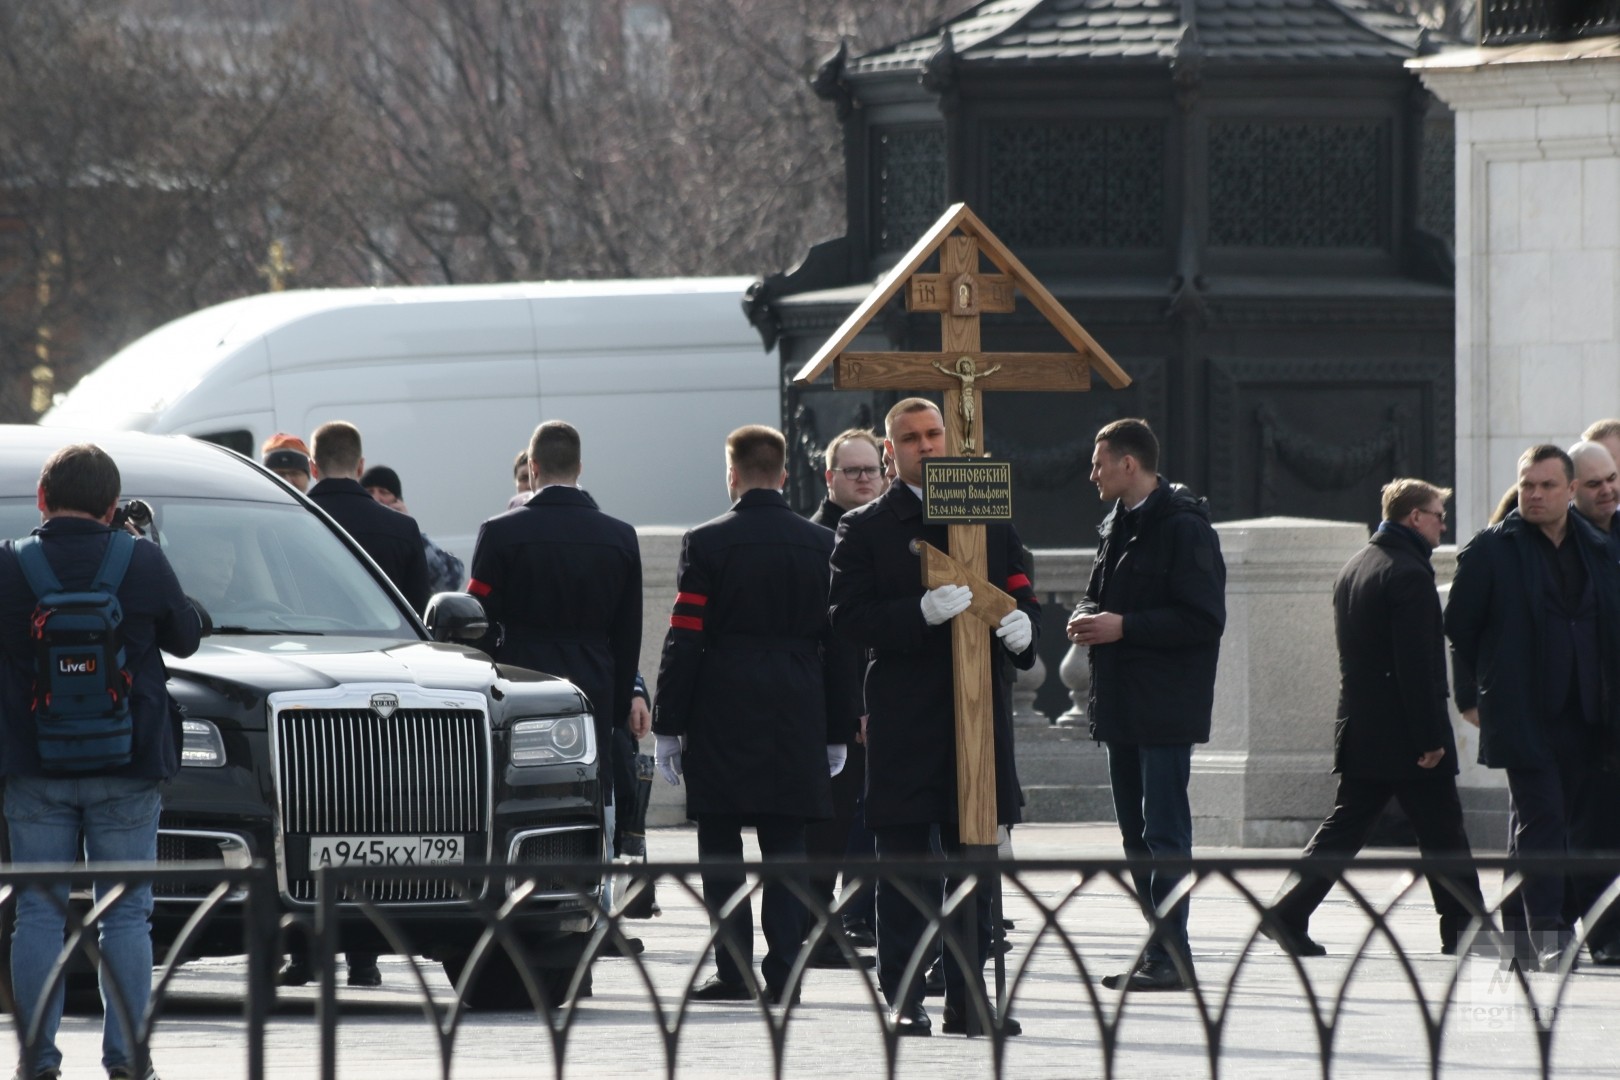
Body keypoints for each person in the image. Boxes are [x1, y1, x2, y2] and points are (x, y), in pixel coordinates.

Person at [828, 398, 1039, 1037]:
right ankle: (903, 998)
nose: (925, 445)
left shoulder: (987, 513)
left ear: (950, 439)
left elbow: (1020, 595)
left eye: (933, 434)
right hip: (906, 717)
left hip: (977, 717)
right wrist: (916, 614)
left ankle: (971, 1000)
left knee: (976, 860)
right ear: (891, 451)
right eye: (910, 438)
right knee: (905, 866)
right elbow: (846, 618)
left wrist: (1024, 635)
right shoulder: (864, 527)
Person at [0, 443, 203, 1080]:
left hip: (34, 762)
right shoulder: (141, 560)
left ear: (41, 498)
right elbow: (187, 636)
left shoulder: (9, 566)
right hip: (128, 762)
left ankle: (38, 1058)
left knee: (37, 909)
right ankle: (127, 1058)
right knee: (126, 914)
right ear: (113, 507)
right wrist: (145, 547)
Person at [653, 425, 857, 1005]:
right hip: (797, 701)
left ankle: (734, 968)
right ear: (786, 475)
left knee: (720, 843)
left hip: (723, 703)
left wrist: (670, 723)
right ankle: (787, 970)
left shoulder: (706, 542)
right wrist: (838, 727)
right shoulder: (823, 544)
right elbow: (840, 644)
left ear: (732, 475)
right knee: (786, 842)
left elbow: (685, 637)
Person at [1264, 479, 1489, 957]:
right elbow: (1417, 666)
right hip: (1406, 735)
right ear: (1414, 518)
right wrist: (1431, 736)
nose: (1442, 524)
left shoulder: (1355, 567)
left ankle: (1287, 912)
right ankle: (1467, 932)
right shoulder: (1408, 574)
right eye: (1437, 515)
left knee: (1352, 827)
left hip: (1365, 728)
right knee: (1444, 832)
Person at [1445, 444, 1620, 970]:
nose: (1535, 494)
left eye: (1547, 485)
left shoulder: (1597, 545)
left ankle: (1518, 939)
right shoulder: (1492, 549)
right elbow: (1459, 626)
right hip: (1523, 713)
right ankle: (1550, 935)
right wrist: (1475, 695)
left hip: (1587, 713)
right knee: (1543, 820)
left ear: (1570, 491)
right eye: (1527, 485)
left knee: (1545, 822)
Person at [1068, 418, 1225, 993]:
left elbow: (1205, 618)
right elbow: (1098, 592)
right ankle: (1162, 947)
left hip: (1164, 708)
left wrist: (1123, 627)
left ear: (1128, 464)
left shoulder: (1184, 528)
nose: (1092, 474)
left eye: (1099, 462)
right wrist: (1087, 615)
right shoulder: (1118, 525)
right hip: (1122, 705)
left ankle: (1171, 955)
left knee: (1163, 832)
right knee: (1135, 835)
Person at [468, 421, 643, 861]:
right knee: (594, 793)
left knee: (524, 793)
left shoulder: (500, 532)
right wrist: (619, 704)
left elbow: (478, 619)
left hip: (522, 677)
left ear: (533, 465)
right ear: (580, 468)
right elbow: (628, 632)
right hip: (595, 679)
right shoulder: (619, 537)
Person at [805, 428, 885, 965]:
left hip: (885, 698)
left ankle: (860, 915)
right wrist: (854, 702)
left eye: (871, 470)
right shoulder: (815, 538)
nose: (863, 478)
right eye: (851, 471)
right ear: (829, 477)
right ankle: (819, 924)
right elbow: (830, 632)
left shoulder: (887, 530)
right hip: (835, 705)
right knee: (831, 820)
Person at [306, 422, 431, 614]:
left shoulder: (286, 526)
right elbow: (419, 611)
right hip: (389, 642)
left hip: (308, 641)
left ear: (313, 468)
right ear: (360, 467)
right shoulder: (402, 528)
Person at [360, 464, 466, 594]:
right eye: (369, 491)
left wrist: (407, 528)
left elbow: (450, 580)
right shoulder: (350, 532)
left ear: (397, 500)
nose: (376, 498)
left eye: (383, 492)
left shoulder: (406, 535)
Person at [1569, 440, 1620, 543]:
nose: (1606, 490)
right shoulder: (1561, 540)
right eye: (1594, 484)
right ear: (1572, 489)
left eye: (1611, 478)